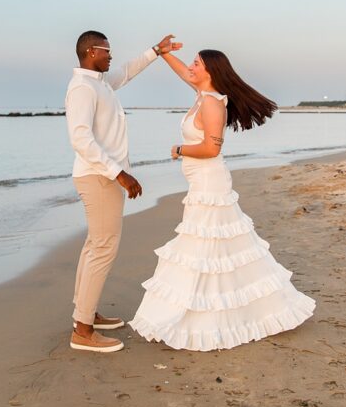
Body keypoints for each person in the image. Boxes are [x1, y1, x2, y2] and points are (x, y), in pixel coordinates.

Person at [129, 47, 316, 351]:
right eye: (192, 61)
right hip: (201, 182)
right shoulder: (202, 93)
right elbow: (183, 74)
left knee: (207, 246)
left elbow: (211, 149)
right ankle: (218, 310)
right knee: (217, 248)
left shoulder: (213, 103)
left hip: (209, 183)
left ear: (211, 71)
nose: (190, 66)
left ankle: (214, 317)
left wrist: (179, 150)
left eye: (196, 62)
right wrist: (163, 54)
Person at [65, 30, 182, 353]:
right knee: (103, 248)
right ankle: (83, 331)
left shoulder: (100, 84)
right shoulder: (82, 88)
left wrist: (156, 51)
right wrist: (120, 174)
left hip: (103, 176)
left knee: (94, 246)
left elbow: (127, 71)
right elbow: (81, 139)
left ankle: (85, 314)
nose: (111, 55)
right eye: (106, 50)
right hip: (99, 177)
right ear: (91, 52)